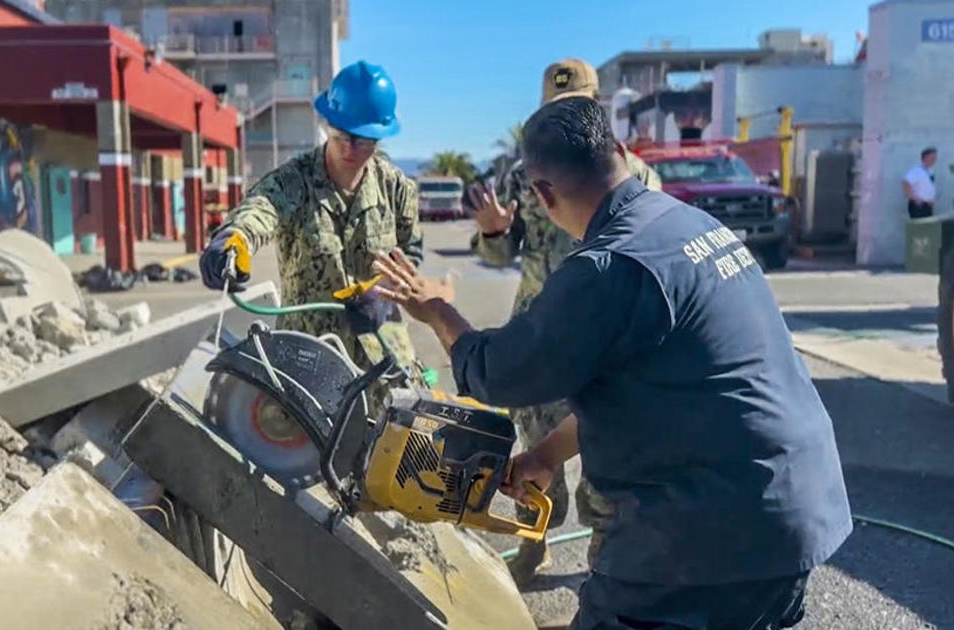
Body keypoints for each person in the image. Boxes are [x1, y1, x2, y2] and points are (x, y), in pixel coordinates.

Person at [371, 96, 852, 630]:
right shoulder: (690, 224)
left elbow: (499, 372)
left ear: (543, 194)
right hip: (791, 519)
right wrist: (548, 454)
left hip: (706, 540)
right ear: (620, 152)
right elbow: (652, 384)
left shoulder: (610, 265)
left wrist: (436, 308)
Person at [467, 58, 663, 582]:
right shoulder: (522, 173)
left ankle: (606, 560)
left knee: (607, 449)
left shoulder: (639, 176)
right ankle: (535, 542)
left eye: (578, 106)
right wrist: (492, 232)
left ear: (597, 108)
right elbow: (497, 254)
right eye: (557, 109)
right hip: (544, 331)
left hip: (609, 342)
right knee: (534, 453)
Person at [199, 60, 424, 389]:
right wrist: (234, 240)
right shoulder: (294, 181)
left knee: (403, 435)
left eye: (362, 140)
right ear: (328, 122)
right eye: (341, 133)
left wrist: (387, 293)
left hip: (384, 356)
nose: (349, 147)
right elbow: (260, 210)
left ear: (378, 137)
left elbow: (411, 255)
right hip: (307, 360)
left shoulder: (396, 189)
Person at [904, 147, 938, 219]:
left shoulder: (930, 171)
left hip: (927, 206)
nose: (934, 160)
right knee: (919, 228)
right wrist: (914, 198)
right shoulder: (916, 170)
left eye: (935, 158)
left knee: (927, 228)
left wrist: (931, 200)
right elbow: (906, 183)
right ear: (925, 158)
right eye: (932, 157)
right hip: (918, 206)